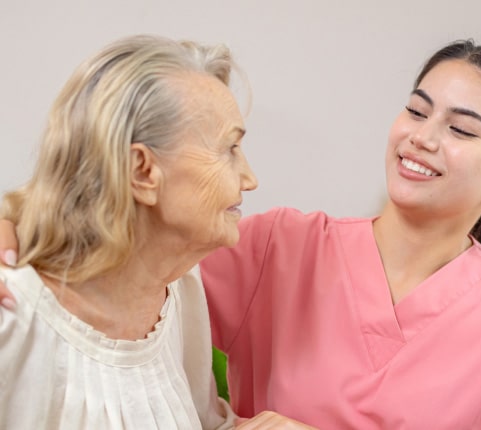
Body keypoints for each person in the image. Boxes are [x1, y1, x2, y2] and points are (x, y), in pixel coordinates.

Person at [0, 39, 481, 429]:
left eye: (461, 129)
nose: (423, 137)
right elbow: (121, 247)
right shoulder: (278, 247)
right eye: (417, 112)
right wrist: (14, 218)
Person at [0, 34, 314, 429]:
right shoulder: (12, 317)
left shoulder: (180, 291)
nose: (250, 179)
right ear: (142, 171)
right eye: (229, 149)